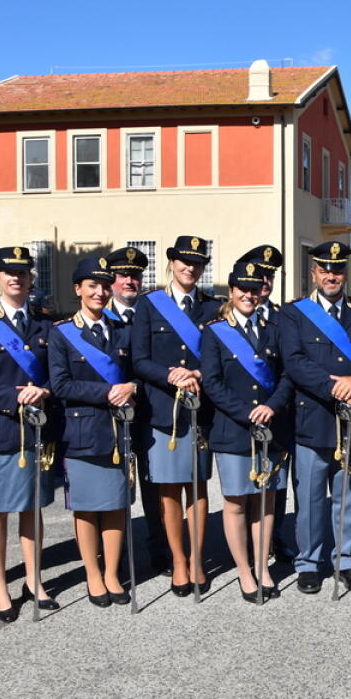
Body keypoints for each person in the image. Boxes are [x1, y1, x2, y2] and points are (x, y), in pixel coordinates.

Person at [0, 246, 64, 622]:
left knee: (32, 508)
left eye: (22, 272)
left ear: (31, 278)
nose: (16, 278)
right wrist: (13, 397)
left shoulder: (46, 326)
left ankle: (34, 580)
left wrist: (44, 390)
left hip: (37, 431)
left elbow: (57, 374)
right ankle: (1, 586)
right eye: (9, 272)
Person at [279, 242, 351, 595]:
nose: (331, 276)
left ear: (346, 273)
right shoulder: (294, 313)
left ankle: (348, 561)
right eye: (324, 270)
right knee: (310, 499)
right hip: (313, 418)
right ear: (314, 273)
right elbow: (294, 362)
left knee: (348, 496)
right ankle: (309, 563)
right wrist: (336, 389)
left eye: (337, 270)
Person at [131, 236, 220, 596]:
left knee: (197, 488)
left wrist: (196, 373)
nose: (190, 268)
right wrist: (172, 376)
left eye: (197, 263)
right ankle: (178, 561)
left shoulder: (213, 308)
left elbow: (218, 359)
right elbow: (139, 360)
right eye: (184, 261)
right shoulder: (149, 305)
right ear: (171, 263)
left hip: (199, 413)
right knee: (168, 491)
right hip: (163, 412)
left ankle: (197, 559)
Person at [48, 257, 138, 608]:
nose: (99, 292)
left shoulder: (122, 330)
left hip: (118, 431)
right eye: (91, 286)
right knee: (86, 508)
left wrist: (131, 386)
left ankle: (112, 572)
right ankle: (93, 574)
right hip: (82, 430)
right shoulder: (61, 333)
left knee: (116, 504)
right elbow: (60, 384)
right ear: (78, 290)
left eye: (103, 285)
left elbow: (137, 374)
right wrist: (107, 392)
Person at [202, 261, 293, 604]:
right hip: (234, 430)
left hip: (270, 428)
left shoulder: (274, 329)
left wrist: (272, 407)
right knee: (237, 502)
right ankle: (244, 570)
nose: (249, 295)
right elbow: (212, 382)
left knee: (266, 501)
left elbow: (287, 376)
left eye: (254, 289)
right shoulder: (215, 332)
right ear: (231, 291)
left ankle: (262, 566)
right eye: (242, 289)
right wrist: (247, 413)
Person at [103, 245, 170, 577]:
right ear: (111, 279)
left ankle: (160, 549)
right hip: (109, 416)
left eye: (135, 275)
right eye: (122, 275)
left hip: (149, 409)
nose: (129, 281)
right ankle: (115, 556)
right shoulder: (100, 316)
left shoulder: (155, 313)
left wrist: (137, 387)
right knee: (113, 486)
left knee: (153, 484)